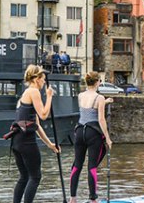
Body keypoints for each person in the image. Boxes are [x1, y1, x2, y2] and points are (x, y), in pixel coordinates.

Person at [10, 65, 59, 203]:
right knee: (35, 177)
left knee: (24, 177)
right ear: (37, 79)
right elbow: (43, 115)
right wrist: (49, 97)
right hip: (26, 142)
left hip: (17, 142)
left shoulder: (24, 95)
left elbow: (36, 125)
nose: (44, 83)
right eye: (42, 79)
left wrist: (50, 144)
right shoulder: (33, 92)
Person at [70, 72, 113, 203]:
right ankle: (93, 199)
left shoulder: (80, 95)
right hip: (92, 133)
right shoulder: (99, 97)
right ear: (97, 82)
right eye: (100, 81)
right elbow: (100, 119)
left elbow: (88, 110)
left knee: (77, 165)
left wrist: (105, 102)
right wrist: (108, 137)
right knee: (92, 166)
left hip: (79, 132)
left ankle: (72, 198)